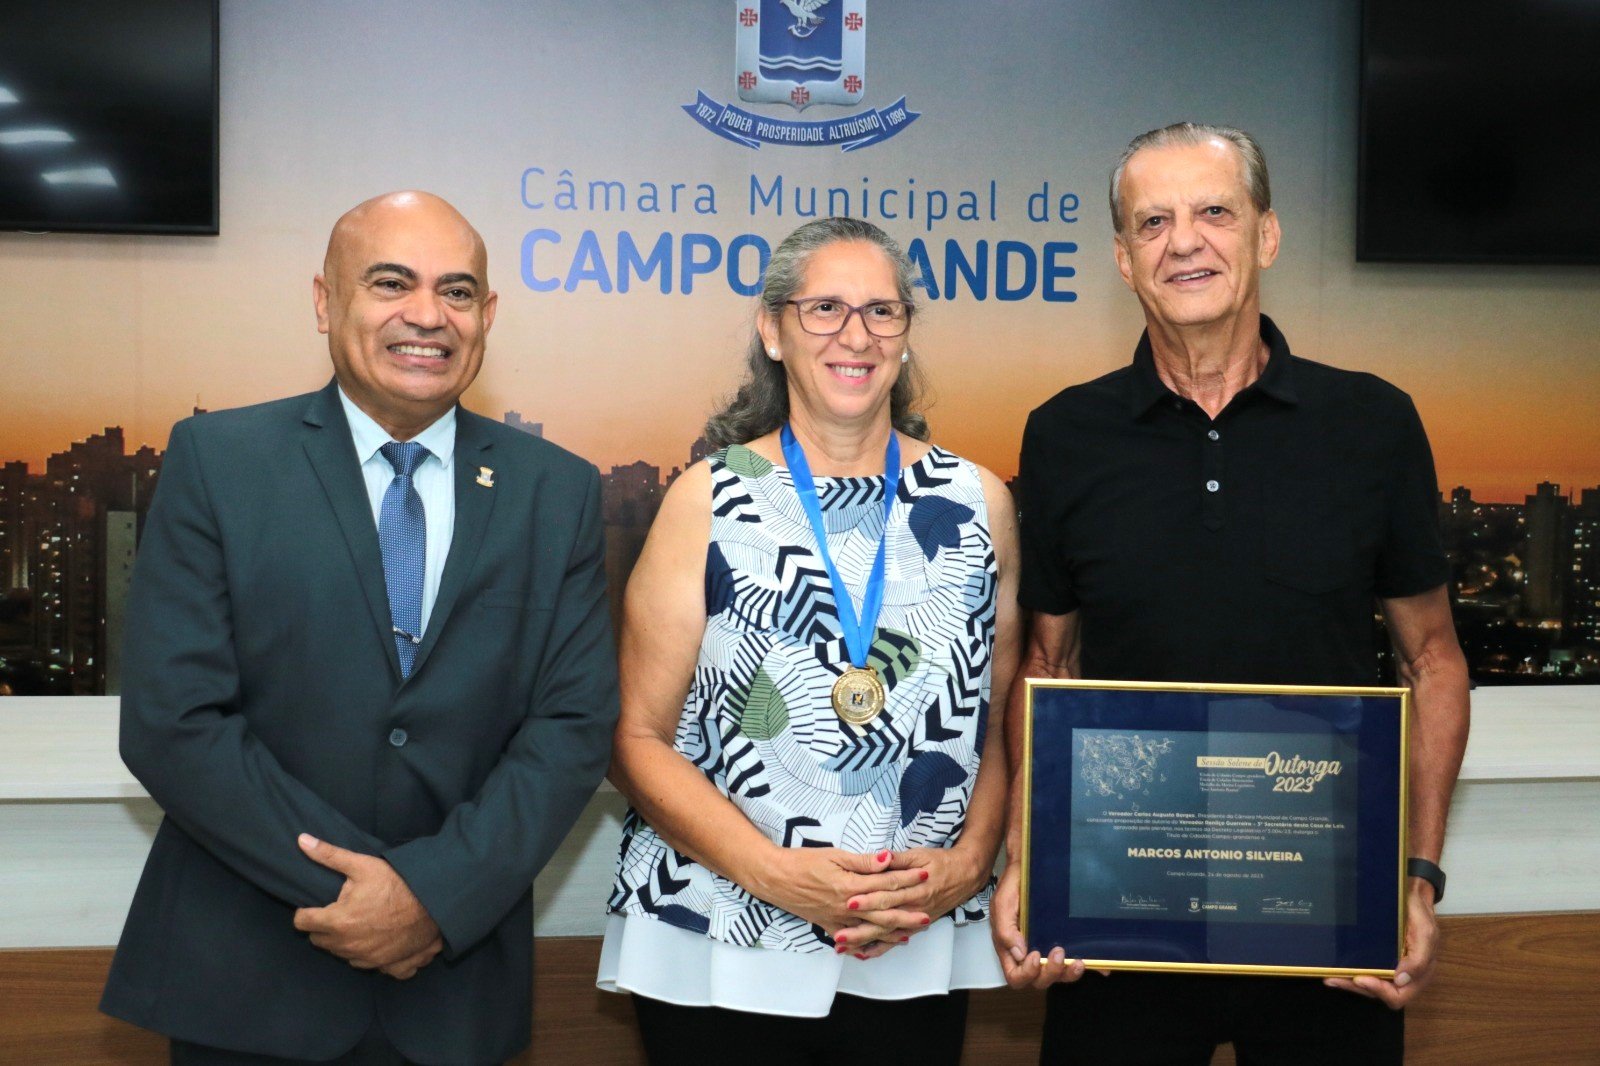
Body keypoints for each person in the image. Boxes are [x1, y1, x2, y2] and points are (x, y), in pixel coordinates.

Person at [100, 191, 619, 1064]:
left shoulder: (554, 490)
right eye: (391, 283)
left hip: (453, 984)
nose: (427, 315)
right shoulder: (219, 462)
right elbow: (173, 721)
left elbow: (570, 728)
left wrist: (433, 898)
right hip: (250, 978)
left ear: (487, 315)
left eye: (457, 291)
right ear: (324, 300)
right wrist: (366, 895)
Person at [990, 124, 1471, 1064]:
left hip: (1330, 928)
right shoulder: (1063, 434)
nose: (1185, 241)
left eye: (1215, 212)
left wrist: (1414, 878)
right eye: (1154, 221)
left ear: (1267, 236)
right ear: (1124, 258)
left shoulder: (1373, 421)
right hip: (1115, 925)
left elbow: (1432, 656)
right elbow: (1050, 664)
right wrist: (1026, 863)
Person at [600, 216, 1017, 1064]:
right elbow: (633, 740)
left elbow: (997, 723)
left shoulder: (976, 504)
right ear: (773, 330)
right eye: (823, 308)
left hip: (913, 934)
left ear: (906, 333)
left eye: (881, 311)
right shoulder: (709, 499)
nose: (854, 335)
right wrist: (775, 874)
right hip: (719, 932)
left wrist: (972, 859)